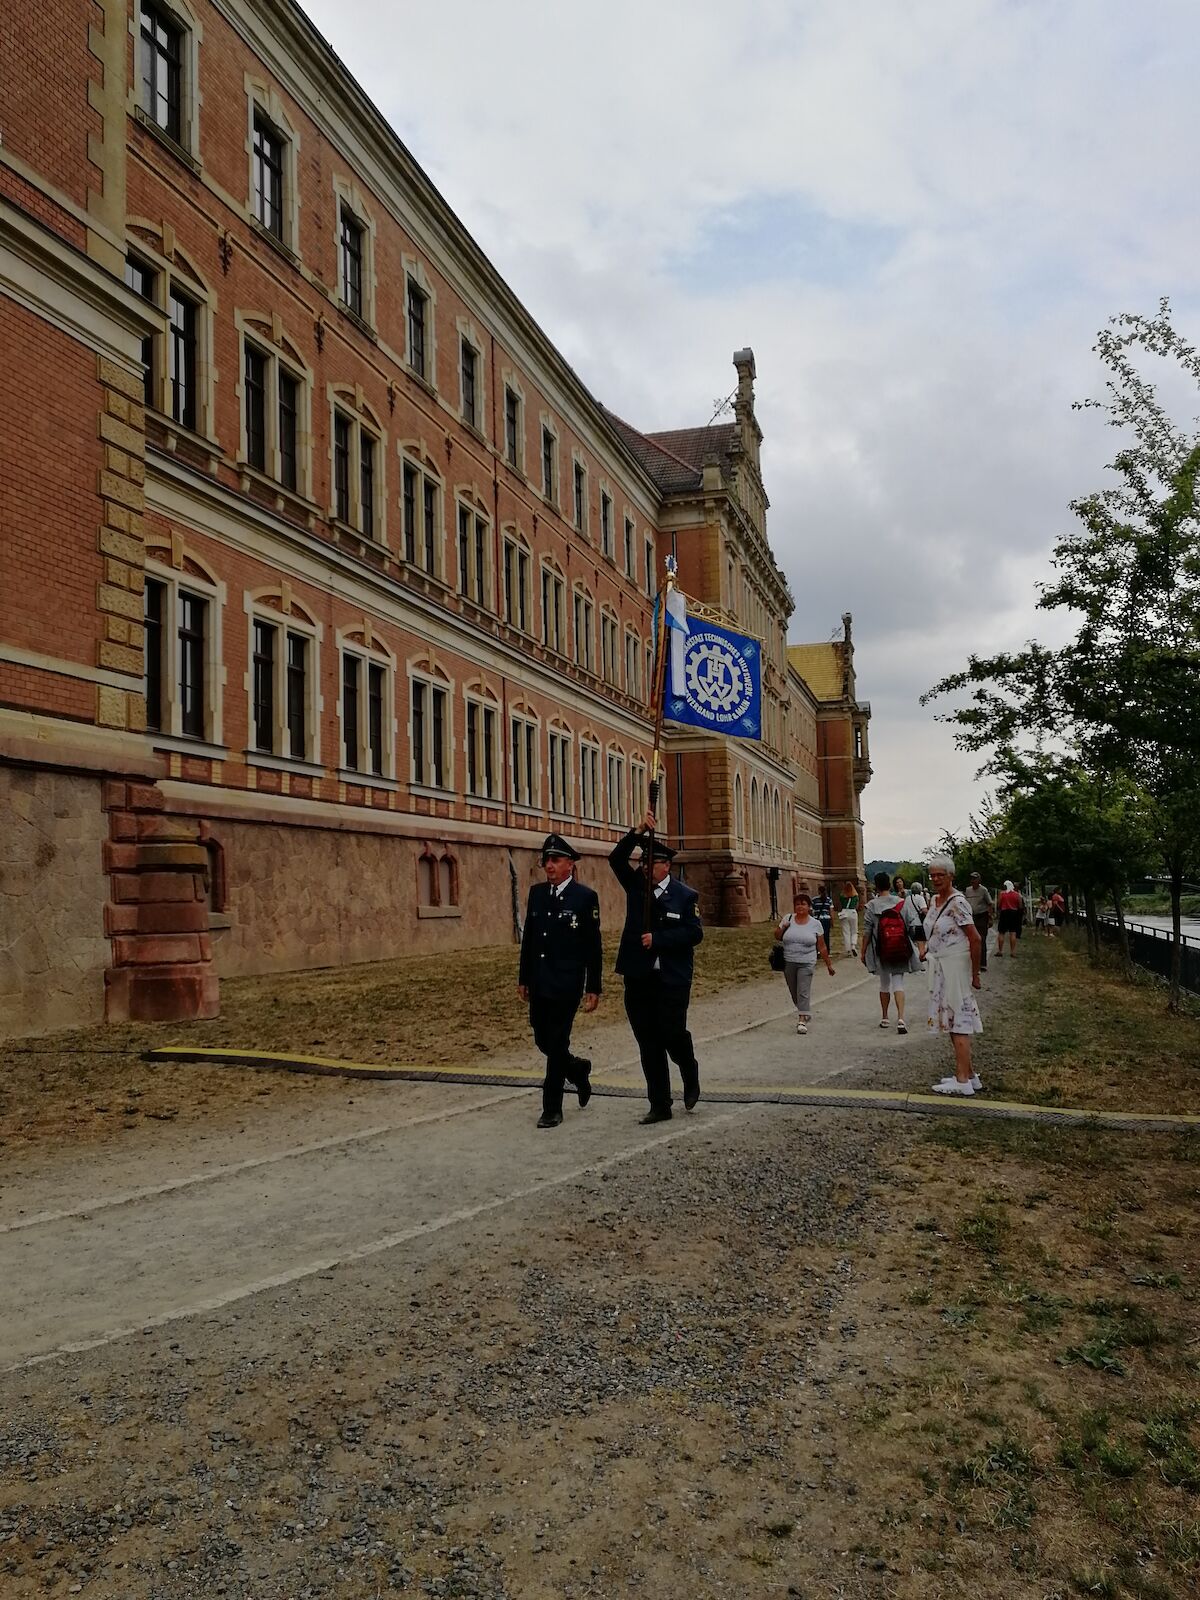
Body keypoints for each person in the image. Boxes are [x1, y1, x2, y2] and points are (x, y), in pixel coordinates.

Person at [609, 810, 704, 1123]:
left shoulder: (685, 897)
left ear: (667, 866)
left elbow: (694, 933)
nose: (645, 867)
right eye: (643, 862)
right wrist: (637, 832)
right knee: (648, 1040)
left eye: (651, 863)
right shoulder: (636, 887)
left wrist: (660, 939)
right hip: (639, 976)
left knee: (671, 1035)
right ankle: (660, 1103)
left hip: (672, 979)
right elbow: (615, 859)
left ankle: (688, 1067)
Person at [518, 834, 602, 1129]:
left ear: (570, 864)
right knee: (543, 1039)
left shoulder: (585, 898)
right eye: (546, 861)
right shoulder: (537, 893)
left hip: (567, 984)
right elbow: (529, 938)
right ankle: (577, 1070)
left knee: (556, 1044)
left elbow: (593, 945)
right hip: (540, 982)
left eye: (555, 860)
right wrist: (524, 977)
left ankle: (551, 1108)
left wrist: (594, 986)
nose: (549, 866)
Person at [923, 853, 984, 1094]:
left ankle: (962, 1081)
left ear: (951, 876)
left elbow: (975, 938)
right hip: (941, 965)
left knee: (959, 1018)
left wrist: (975, 974)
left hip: (954, 967)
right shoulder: (935, 901)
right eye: (933, 875)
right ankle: (968, 1074)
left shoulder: (958, 902)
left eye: (941, 875)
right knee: (950, 1019)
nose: (936, 879)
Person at [861, 870, 925, 1033]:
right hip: (900, 947)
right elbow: (912, 926)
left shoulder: (871, 906)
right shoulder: (901, 903)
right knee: (898, 983)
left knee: (884, 984)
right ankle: (901, 1018)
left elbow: (867, 931)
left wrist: (863, 952)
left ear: (876, 886)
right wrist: (919, 946)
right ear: (890, 885)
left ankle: (884, 1017)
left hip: (881, 950)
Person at [775, 890, 836, 1034]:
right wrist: (783, 928)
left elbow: (821, 946)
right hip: (788, 960)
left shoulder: (815, 924)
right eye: (797, 904)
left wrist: (828, 964)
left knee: (803, 990)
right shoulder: (788, 919)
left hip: (807, 961)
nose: (800, 907)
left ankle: (802, 1019)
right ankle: (804, 1010)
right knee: (794, 990)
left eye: (803, 904)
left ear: (809, 907)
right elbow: (777, 936)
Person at [963, 871, 994, 972]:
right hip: (971, 917)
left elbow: (989, 904)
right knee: (971, 940)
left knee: (981, 939)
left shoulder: (983, 890)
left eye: (975, 879)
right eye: (971, 879)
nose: (973, 881)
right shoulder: (968, 890)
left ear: (979, 880)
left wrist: (990, 917)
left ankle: (982, 963)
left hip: (982, 916)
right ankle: (972, 962)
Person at [996, 879, 1023, 958]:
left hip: (1004, 913)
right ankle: (1013, 952)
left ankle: (1000, 951)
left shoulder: (1002, 894)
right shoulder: (1017, 894)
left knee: (1001, 932)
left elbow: (999, 904)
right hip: (1014, 913)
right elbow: (1020, 905)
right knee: (1013, 932)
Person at [837, 880, 860, 956]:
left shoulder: (842, 896)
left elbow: (839, 904)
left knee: (846, 932)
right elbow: (857, 906)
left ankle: (848, 950)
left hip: (844, 912)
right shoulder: (855, 896)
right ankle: (853, 945)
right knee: (854, 931)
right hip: (852, 912)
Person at [811, 882, 834, 952]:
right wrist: (832, 921)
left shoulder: (814, 900)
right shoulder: (829, 900)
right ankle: (826, 950)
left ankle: (818, 950)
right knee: (826, 935)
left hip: (817, 919)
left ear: (818, 891)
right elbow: (831, 911)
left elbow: (811, 910)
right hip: (826, 919)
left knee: (817, 935)